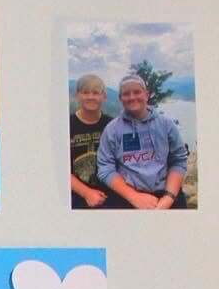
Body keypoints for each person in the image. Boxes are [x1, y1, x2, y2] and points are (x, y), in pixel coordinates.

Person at [97, 75, 190, 209]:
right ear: (120, 99)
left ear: (146, 95)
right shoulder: (112, 130)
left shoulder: (166, 124)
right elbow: (105, 168)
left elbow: (178, 160)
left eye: (137, 92)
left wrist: (169, 197)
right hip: (127, 196)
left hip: (166, 193)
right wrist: (134, 197)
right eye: (126, 94)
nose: (132, 97)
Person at [69, 74, 114, 208]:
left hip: (110, 193)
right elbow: (58, 169)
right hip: (75, 195)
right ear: (77, 95)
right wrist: (86, 193)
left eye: (96, 93)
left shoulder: (112, 125)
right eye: (85, 92)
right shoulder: (66, 125)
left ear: (104, 97)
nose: (90, 97)